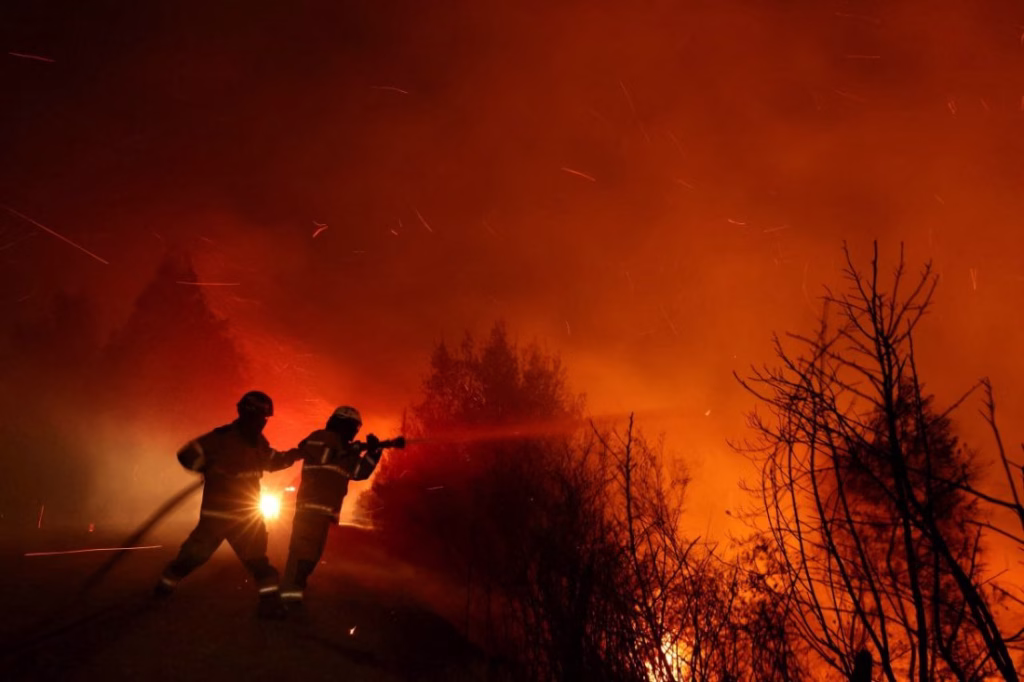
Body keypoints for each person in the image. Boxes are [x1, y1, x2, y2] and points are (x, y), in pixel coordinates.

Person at [154, 390, 297, 619]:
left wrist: (296, 454)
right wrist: (206, 466)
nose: (263, 423)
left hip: (246, 518)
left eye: (266, 419)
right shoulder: (220, 438)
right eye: (262, 417)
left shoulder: (258, 443)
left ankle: (270, 605)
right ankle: (163, 588)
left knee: (259, 563)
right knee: (192, 558)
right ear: (249, 414)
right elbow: (186, 455)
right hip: (216, 518)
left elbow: (274, 461)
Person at [280, 405, 402, 605]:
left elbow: (359, 473)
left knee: (311, 558)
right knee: (300, 554)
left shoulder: (346, 450)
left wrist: (374, 452)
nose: (354, 432)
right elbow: (323, 454)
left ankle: (295, 591)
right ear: (342, 423)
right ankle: (286, 600)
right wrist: (350, 449)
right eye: (353, 427)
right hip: (309, 510)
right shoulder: (321, 437)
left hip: (326, 514)